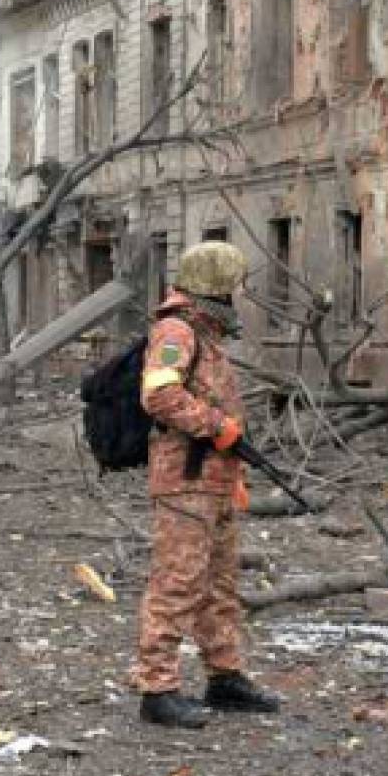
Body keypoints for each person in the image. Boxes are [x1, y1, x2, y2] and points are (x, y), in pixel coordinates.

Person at [131, 241, 284, 728]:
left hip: (212, 481)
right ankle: (158, 690)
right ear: (215, 282)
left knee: (219, 586)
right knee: (177, 585)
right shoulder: (176, 330)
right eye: (233, 282)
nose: (238, 292)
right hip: (184, 481)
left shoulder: (205, 331)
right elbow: (160, 396)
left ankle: (225, 678)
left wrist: (231, 473)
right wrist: (216, 426)